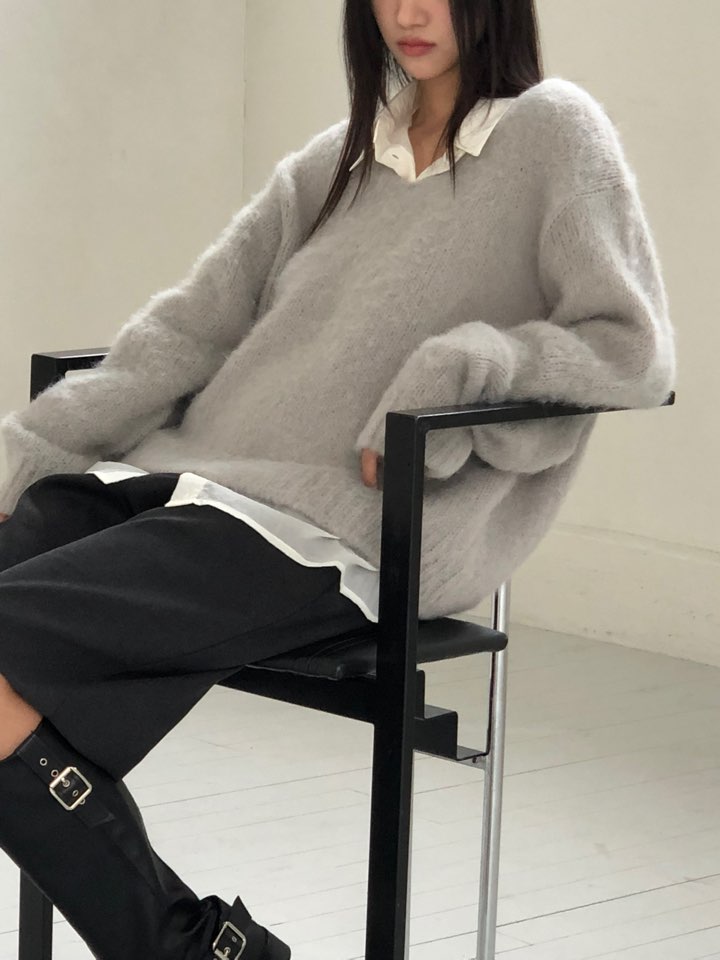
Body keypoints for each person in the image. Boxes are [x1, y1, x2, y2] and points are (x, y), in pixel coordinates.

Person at [0, 1, 676, 958]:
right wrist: (33, 445)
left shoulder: (552, 133)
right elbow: (188, 329)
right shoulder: (336, 161)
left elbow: (629, 350)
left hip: (328, 530)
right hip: (187, 483)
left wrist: (468, 367)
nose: (409, 12)